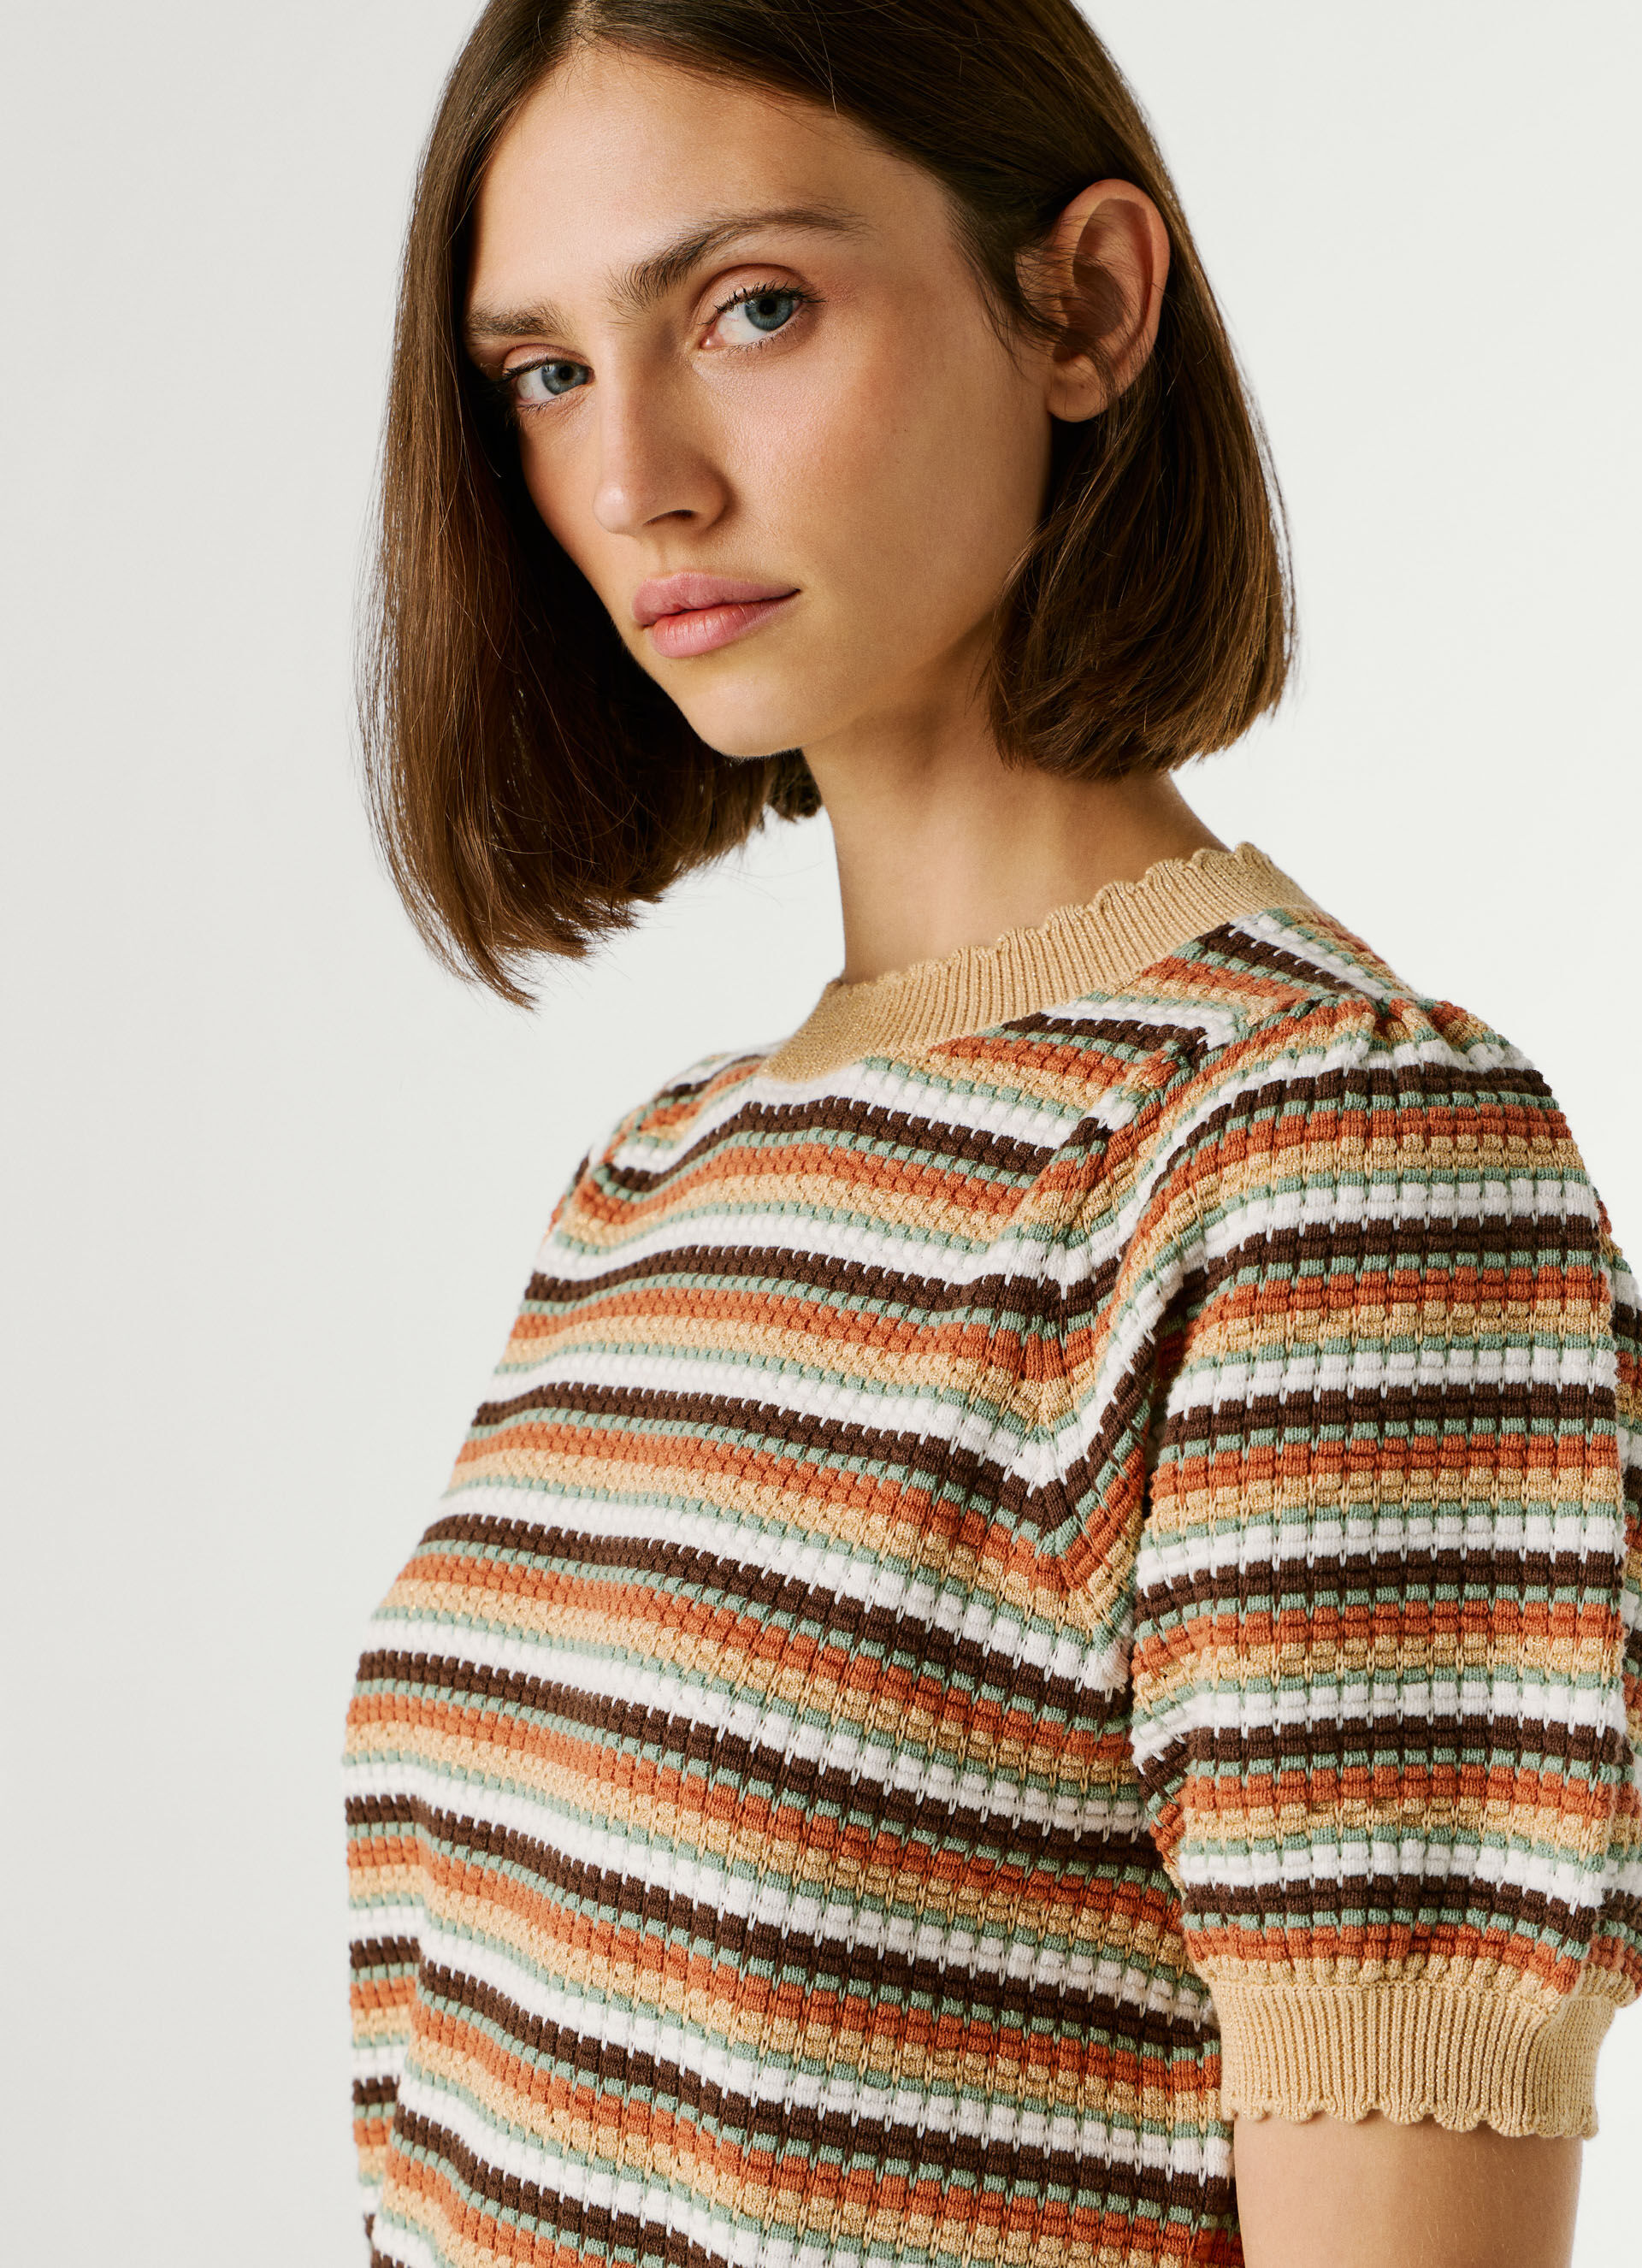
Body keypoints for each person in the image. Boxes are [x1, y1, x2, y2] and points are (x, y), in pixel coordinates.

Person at [341, 5, 1642, 2264]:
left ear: (1084, 307)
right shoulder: (650, 1186)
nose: (634, 476)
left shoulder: (1323, 1169)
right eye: (542, 371)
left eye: (750, 306)